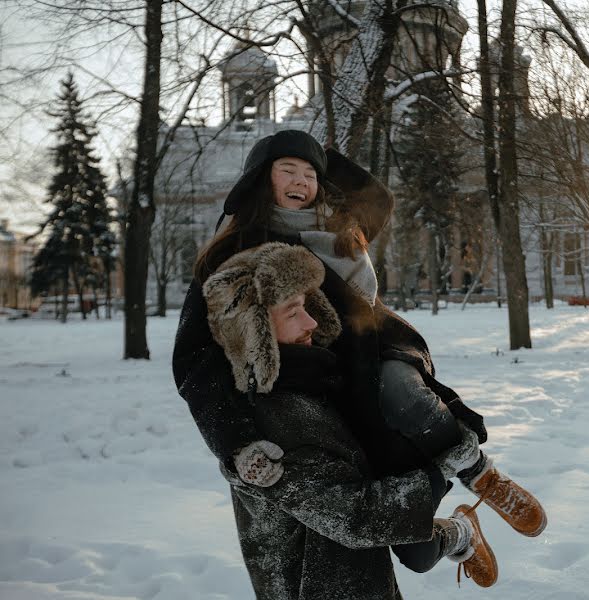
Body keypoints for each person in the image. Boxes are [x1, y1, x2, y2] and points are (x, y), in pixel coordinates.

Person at [173, 130, 544, 583]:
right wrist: (235, 440)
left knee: (402, 391)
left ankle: (482, 475)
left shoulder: (335, 227)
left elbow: (380, 201)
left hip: (379, 352)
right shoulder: (234, 250)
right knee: (415, 551)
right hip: (326, 393)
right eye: (287, 170)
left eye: (310, 174)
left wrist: (322, 154)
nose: (300, 181)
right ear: (257, 180)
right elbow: (194, 359)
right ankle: (462, 533)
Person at [201, 241, 496, 597]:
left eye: (308, 307)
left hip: (357, 578)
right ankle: (460, 533)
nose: (310, 322)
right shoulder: (271, 427)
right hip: (319, 589)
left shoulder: (316, 381)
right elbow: (355, 518)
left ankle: (459, 535)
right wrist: (441, 470)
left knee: (417, 549)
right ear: (254, 331)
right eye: (293, 312)